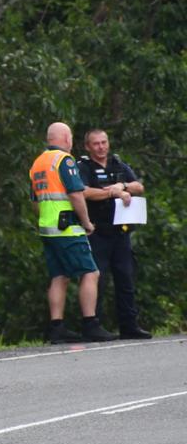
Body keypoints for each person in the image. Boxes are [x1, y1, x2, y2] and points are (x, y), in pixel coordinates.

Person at [28, 122, 116, 343]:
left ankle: (57, 328)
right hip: (67, 228)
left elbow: (35, 201)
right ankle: (90, 323)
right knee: (90, 272)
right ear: (66, 138)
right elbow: (76, 194)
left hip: (48, 229)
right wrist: (86, 222)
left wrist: (43, 220)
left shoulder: (38, 163)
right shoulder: (64, 160)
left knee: (59, 276)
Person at [77, 129, 152, 339]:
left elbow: (139, 186)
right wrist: (111, 192)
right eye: (96, 144)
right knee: (96, 279)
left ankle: (130, 325)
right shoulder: (84, 167)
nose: (101, 147)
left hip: (121, 232)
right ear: (88, 147)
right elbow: (82, 191)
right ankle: (93, 326)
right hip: (97, 231)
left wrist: (123, 185)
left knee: (125, 278)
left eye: (104, 142)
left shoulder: (118, 164)